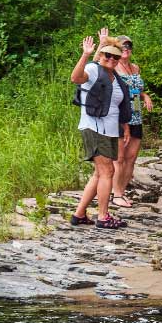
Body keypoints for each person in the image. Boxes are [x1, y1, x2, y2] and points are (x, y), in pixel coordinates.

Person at [69, 35, 131, 230]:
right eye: (107, 55)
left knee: (99, 174)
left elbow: (118, 106)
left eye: (115, 57)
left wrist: (125, 128)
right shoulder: (93, 70)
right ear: (101, 55)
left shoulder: (115, 77)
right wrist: (85, 55)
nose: (111, 60)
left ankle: (79, 214)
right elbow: (76, 78)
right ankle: (103, 216)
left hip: (111, 130)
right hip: (95, 127)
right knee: (108, 172)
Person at [107, 33, 152, 208]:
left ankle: (122, 192)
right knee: (119, 158)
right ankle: (115, 194)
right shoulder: (113, 66)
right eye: (123, 46)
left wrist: (145, 95)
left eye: (129, 46)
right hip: (120, 115)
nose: (127, 49)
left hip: (136, 115)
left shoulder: (135, 67)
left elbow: (136, 89)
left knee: (131, 157)